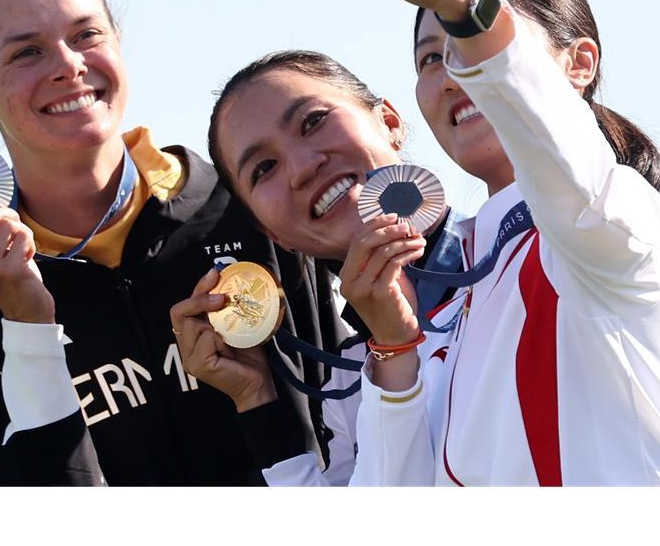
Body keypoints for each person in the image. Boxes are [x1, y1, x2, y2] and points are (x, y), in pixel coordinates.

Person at [0, 0, 346, 485]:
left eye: (86, 35)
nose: (69, 66)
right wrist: (28, 328)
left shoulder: (256, 210)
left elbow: (355, 439)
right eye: (27, 53)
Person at [314, 0, 660, 484]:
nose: (451, 71)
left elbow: (562, 160)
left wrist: (461, 0)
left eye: (462, 43)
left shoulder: (611, 221)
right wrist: (392, 346)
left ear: (578, 63)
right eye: (429, 58)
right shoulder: (453, 295)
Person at [171, 50, 465, 485]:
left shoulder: (526, 256)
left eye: (313, 121)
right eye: (264, 168)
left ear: (389, 121)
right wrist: (256, 398)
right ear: (273, 234)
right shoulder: (347, 374)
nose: (304, 166)